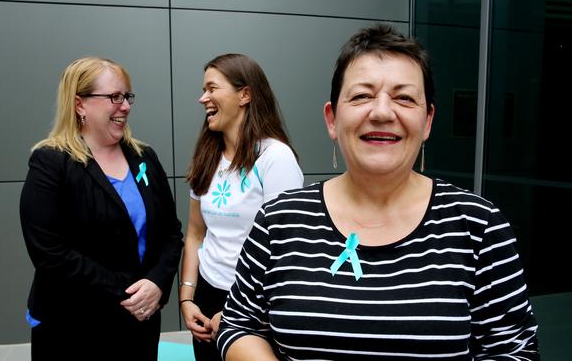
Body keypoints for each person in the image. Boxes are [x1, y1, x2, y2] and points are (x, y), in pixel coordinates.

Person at [216, 24, 539, 360]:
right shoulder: (279, 220)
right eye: (362, 96)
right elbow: (239, 324)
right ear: (332, 119)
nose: (382, 112)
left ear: (427, 121)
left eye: (404, 98)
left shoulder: (478, 225)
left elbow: (515, 349)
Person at [19, 57, 184, 360]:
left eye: (127, 96)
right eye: (114, 97)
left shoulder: (143, 157)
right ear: (80, 104)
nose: (125, 106)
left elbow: (171, 233)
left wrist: (158, 283)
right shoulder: (51, 162)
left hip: (139, 322)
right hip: (73, 326)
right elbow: (49, 252)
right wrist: (129, 292)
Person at [179, 53, 304, 360]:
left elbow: (285, 251)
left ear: (245, 94)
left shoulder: (276, 158)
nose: (202, 98)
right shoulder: (207, 156)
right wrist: (186, 298)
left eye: (211, 88)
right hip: (207, 296)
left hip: (256, 304)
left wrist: (238, 311)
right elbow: (195, 234)